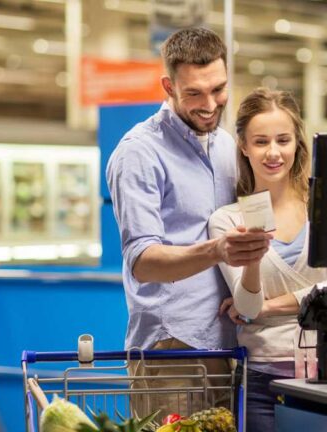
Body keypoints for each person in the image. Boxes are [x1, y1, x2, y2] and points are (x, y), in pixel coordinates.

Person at [105, 27, 272, 417]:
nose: (210, 104)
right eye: (194, 93)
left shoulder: (227, 145)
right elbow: (143, 262)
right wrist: (218, 250)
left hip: (231, 348)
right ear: (168, 85)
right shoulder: (139, 154)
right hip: (172, 354)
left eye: (218, 89)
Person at [208, 88, 327, 431]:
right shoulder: (228, 221)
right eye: (261, 141)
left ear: (297, 144)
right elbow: (247, 306)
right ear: (244, 146)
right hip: (265, 382)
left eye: (283, 140)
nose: (273, 152)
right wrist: (252, 255)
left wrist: (267, 307)